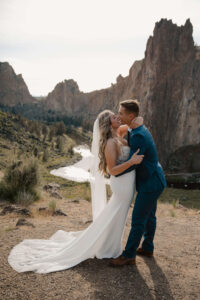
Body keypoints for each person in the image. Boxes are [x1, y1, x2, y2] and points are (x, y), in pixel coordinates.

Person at [8, 110, 143, 274]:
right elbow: (113, 170)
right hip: (121, 184)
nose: (117, 117)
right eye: (114, 117)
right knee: (116, 214)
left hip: (126, 184)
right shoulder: (109, 143)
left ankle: (110, 246)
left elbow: (127, 126)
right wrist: (132, 162)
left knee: (116, 215)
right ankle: (107, 248)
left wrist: (134, 123)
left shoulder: (117, 134)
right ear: (108, 124)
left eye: (117, 115)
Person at [110, 99, 167, 267]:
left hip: (151, 183)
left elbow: (133, 162)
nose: (119, 115)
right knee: (150, 215)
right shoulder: (135, 128)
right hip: (153, 179)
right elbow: (123, 129)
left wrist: (114, 173)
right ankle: (148, 247)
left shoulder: (139, 135)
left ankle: (129, 255)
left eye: (121, 113)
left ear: (131, 115)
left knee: (138, 219)